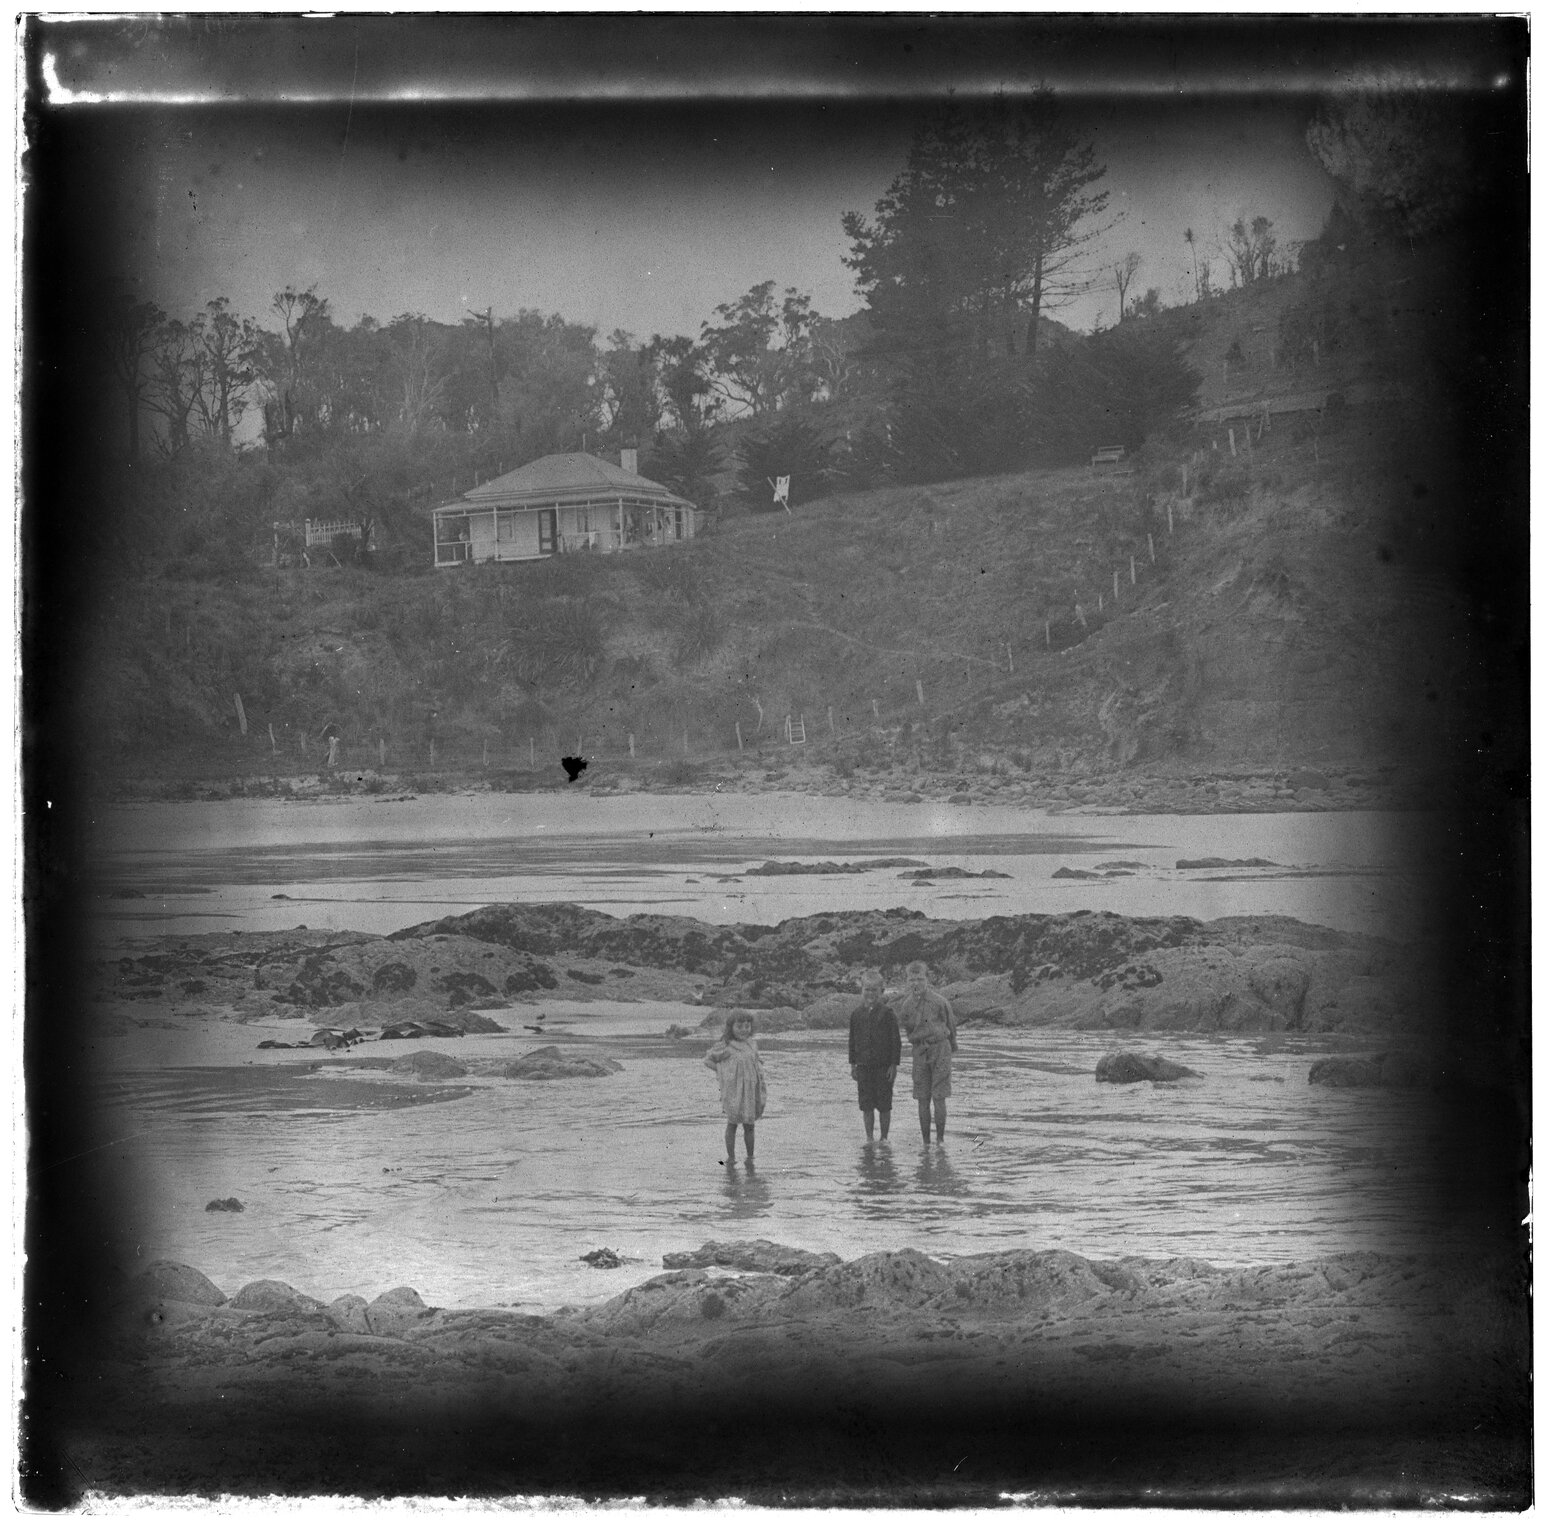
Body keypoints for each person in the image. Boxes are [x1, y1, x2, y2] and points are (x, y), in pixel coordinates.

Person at [893, 960, 957, 1145]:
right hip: (920, 1051)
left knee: (939, 1096)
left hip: (940, 1049)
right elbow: (908, 1030)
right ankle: (926, 1142)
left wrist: (948, 1049)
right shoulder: (906, 1006)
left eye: (920, 979)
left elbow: (951, 1027)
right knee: (922, 1097)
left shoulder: (940, 1002)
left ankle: (940, 1141)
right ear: (907, 981)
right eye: (911, 980)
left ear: (927, 979)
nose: (916, 984)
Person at [704, 1009, 767, 1164]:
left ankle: (750, 1157)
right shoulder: (726, 1046)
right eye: (739, 1026)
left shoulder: (752, 1044)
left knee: (749, 1125)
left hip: (751, 1090)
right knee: (732, 1124)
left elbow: (756, 1061)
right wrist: (723, 1072)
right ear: (731, 1028)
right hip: (734, 1091)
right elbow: (708, 1060)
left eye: (747, 1026)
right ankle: (731, 1158)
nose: (744, 1030)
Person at [848, 969, 901, 1141]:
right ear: (861, 990)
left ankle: (884, 1138)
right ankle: (869, 1138)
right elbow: (852, 1041)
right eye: (867, 990)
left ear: (881, 991)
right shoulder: (856, 1014)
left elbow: (896, 1041)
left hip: (883, 1067)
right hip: (863, 1066)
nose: (870, 994)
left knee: (885, 1106)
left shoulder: (888, 1014)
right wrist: (852, 1064)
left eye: (874, 990)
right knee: (866, 1105)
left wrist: (894, 1065)